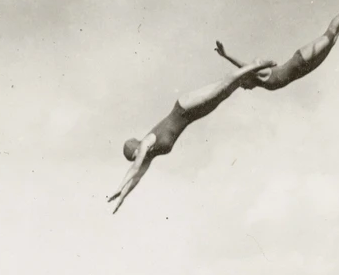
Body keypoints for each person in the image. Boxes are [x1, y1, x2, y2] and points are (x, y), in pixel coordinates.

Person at [106, 59, 277, 214]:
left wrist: (119, 186)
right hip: (192, 116)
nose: (140, 156)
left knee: (222, 86)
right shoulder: (150, 154)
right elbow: (137, 177)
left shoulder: (148, 141)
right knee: (225, 92)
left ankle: (256, 64)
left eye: (136, 154)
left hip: (184, 106)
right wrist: (122, 197)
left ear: (136, 146)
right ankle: (253, 74)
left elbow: (134, 169)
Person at [214, 0, 339, 92]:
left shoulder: (259, 75)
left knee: (329, 35)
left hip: (302, 58)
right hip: (308, 67)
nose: (246, 89)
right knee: (334, 39)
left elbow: (244, 67)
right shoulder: (262, 84)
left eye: (243, 85)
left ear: (247, 78)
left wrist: (226, 55)